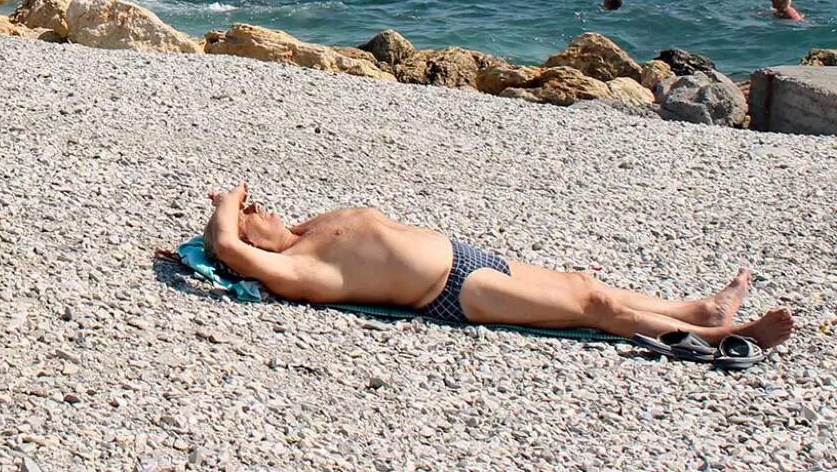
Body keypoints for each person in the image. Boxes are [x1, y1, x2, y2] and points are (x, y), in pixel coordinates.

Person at [199, 184, 794, 351]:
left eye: (251, 203)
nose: (257, 208)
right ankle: (717, 339)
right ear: (258, 244)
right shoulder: (297, 267)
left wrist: (242, 211)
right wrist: (227, 209)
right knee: (596, 311)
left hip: (471, 259)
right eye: (251, 213)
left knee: (586, 285)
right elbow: (226, 247)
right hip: (456, 292)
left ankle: (699, 308)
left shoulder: (311, 225)